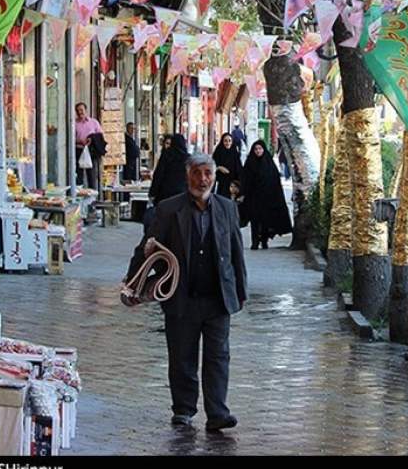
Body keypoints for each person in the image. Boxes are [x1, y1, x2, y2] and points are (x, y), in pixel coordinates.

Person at [123, 154, 247, 432]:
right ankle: (183, 409)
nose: (202, 180)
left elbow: (236, 252)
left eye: (207, 174)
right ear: (187, 175)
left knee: (218, 356)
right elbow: (147, 248)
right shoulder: (168, 210)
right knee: (182, 356)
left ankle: (217, 412)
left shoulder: (227, 208)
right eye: (197, 173)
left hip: (218, 297)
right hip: (181, 296)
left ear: (214, 177)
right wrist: (132, 284)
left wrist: (240, 290)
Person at [241, 140, 292, 250]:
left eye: (260, 149)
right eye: (256, 149)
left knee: (265, 220)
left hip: (267, 198)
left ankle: (264, 241)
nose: (258, 151)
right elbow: (245, 179)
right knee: (254, 221)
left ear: (263, 150)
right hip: (253, 197)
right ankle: (254, 242)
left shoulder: (269, 163)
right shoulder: (250, 163)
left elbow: (275, 181)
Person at [149, 134, 190, 205]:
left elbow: (158, 174)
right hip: (182, 193)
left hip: (165, 194)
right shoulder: (188, 158)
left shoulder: (166, 155)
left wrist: (152, 192)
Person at [75, 102, 102, 190]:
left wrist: (92, 139)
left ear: (86, 110)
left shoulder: (94, 122)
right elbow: (71, 138)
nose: (80, 112)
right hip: (79, 150)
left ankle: (92, 195)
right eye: (78, 110)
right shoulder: (74, 123)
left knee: (92, 174)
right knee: (79, 175)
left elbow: (100, 136)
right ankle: (79, 193)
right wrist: (79, 141)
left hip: (91, 151)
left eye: (81, 110)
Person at [212, 133, 242, 198]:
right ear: (222, 142)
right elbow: (212, 166)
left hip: (232, 187)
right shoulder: (218, 152)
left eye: (229, 141)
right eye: (225, 141)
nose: (227, 143)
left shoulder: (234, 153)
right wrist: (219, 168)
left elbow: (239, 170)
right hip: (221, 185)